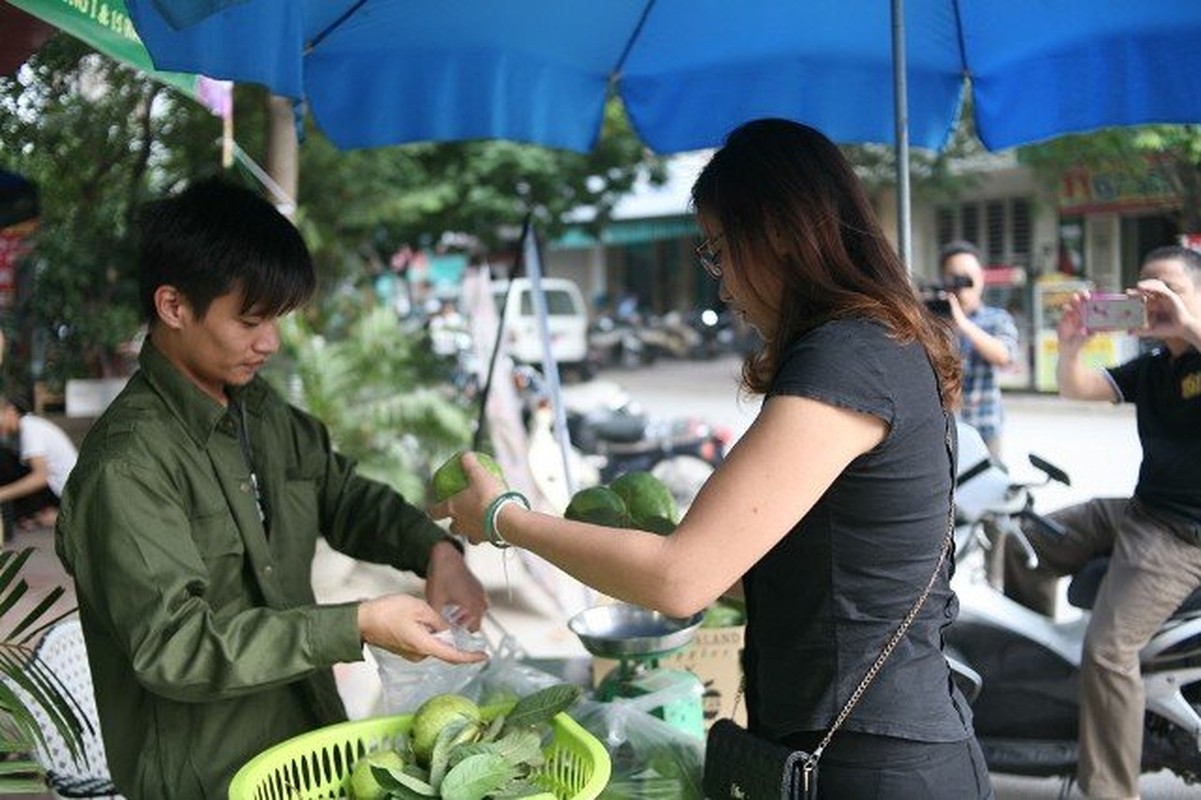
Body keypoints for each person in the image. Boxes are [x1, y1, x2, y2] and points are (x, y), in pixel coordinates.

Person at [434, 119, 993, 798]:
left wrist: (503, 518)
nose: (720, 280)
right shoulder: (880, 345)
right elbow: (795, 571)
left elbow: (680, 582)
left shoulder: (849, 356)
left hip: (878, 763)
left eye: (720, 249)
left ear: (782, 232)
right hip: (875, 746)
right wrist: (630, 545)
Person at [54, 178, 488, 799]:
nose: (271, 343)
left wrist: (436, 552)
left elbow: (343, 495)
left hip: (308, 744)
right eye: (251, 320)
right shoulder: (126, 468)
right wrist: (357, 623)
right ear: (174, 307)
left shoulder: (261, 413)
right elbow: (176, 647)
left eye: (276, 320)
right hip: (207, 777)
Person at [1003, 245, 1201, 800]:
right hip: (1138, 511)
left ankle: (1112, 791)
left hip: (1183, 537)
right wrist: (1072, 347)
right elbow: (1078, 388)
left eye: (1168, 290)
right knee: (1021, 543)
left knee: (1109, 651)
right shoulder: (1156, 367)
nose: (1152, 302)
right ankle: (1032, 683)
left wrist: (1187, 321)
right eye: (1142, 293)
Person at [938, 240, 1019, 460]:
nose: (961, 286)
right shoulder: (931, 321)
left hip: (985, 426)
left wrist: (962, 323)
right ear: (943, 280)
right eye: (954, 278)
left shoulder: (997, 318)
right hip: (941, 431)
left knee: (988, 491)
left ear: (981, 279)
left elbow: (1004, 356)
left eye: (967, 279)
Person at [0, 392, 77, 529]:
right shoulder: (14, 435)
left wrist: (2, 494)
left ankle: (50, 513)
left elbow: (40, 477)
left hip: (61, 494)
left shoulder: (30, 428)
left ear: (10, 411)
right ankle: (31, 514)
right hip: (52, 490)